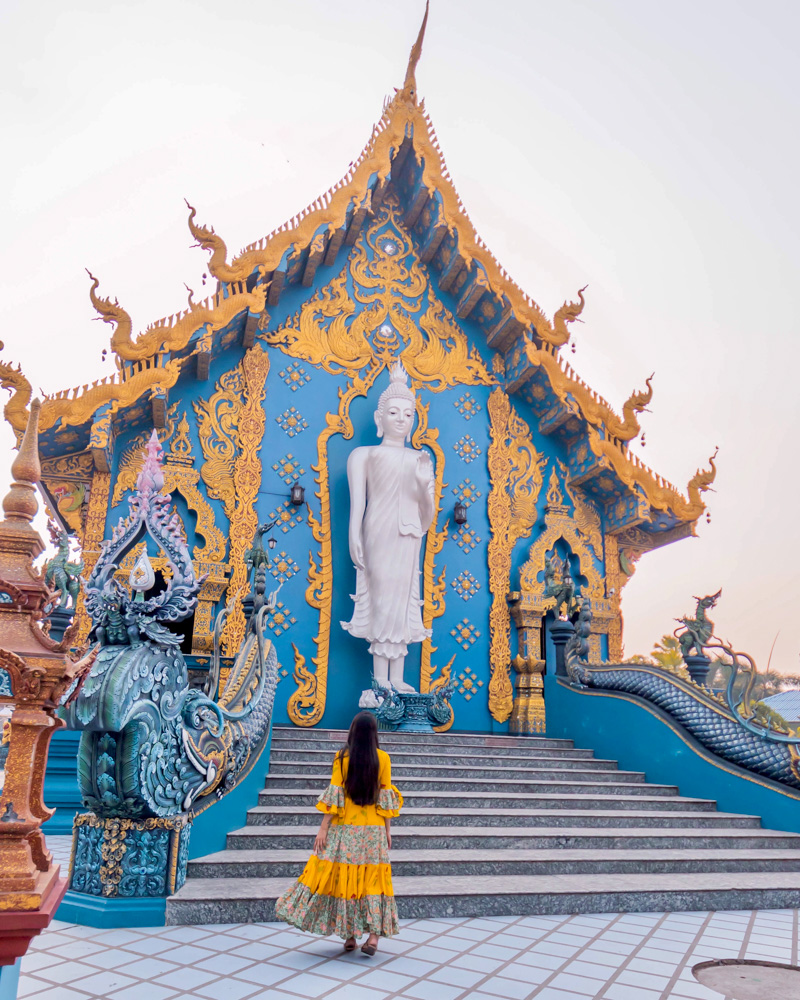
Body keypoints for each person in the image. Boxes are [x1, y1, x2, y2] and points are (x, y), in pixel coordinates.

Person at [340, 361, 435, 706]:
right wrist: (354, 536)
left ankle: (399, 679)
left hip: (409, 536)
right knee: (382, 601)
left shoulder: (420, 460)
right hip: (377, 532)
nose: (400, 419)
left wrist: (425, 488)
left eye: (407, 414)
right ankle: (380, 680)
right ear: (380, 419)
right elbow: (358, 505)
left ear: (414, 420)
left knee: (403, 600)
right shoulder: (363, 455)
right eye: (393, 412)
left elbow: (428, 518)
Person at [275, 711, 403, 955]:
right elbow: (385, 800)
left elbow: (336, 796)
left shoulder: (342, 758)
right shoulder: (384, 759)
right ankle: (373, 938)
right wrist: (387, 831)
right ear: (375, 733)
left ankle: (350, 936)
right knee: (374, 880)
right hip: (373, 830)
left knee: (346, 879)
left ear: (353, 732)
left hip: (346, 829)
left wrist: (323, 829)